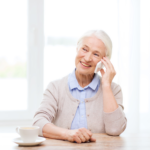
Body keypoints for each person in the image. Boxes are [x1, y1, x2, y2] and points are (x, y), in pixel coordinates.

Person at [32, 30, 127, 143]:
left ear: (104, 61)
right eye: (84, 49)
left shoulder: (114, 90)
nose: (87, 58)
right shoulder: (55, 87)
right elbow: (38, 123)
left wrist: (106, 85)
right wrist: (68, 134)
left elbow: (115, 129)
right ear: (77, 48)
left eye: (96, 54)